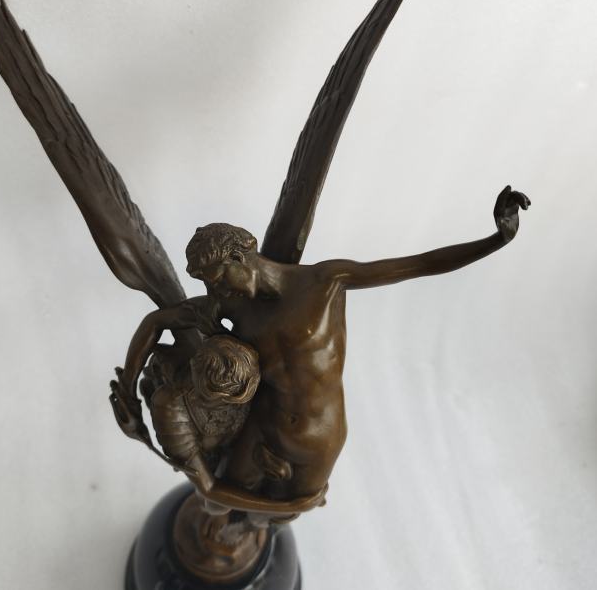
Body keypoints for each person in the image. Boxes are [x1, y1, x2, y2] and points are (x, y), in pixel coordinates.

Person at [112, 185, 529, 507]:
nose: (214, 290)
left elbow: (418, 264)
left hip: (318, 439)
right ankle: (221, 539)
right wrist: (129, 389)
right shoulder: (231, 308)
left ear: (241, 256)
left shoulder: (324, 283)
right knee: (218, 500)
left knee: (279, 515)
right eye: (208, 283)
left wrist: (495, 239)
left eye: (218, 277)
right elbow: (156, 322)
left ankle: (248, 535)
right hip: (261, 429)